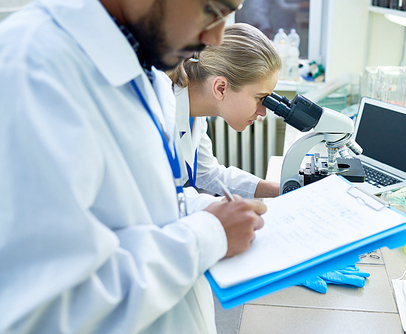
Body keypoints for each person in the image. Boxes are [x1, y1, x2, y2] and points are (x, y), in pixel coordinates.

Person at [0, 0, 267, 333]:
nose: (215, 38)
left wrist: (217, 210)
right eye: (212, 9)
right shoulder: (30, 68)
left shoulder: (144, 70)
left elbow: (147, 206)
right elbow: (47, 311)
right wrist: (210, 233)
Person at [167, 23, 281, 199]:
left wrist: (280, 189)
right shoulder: (163, 114)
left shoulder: (196, 113)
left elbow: (208, 174)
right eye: (260, 98)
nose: (263, 112)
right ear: (220, 88)